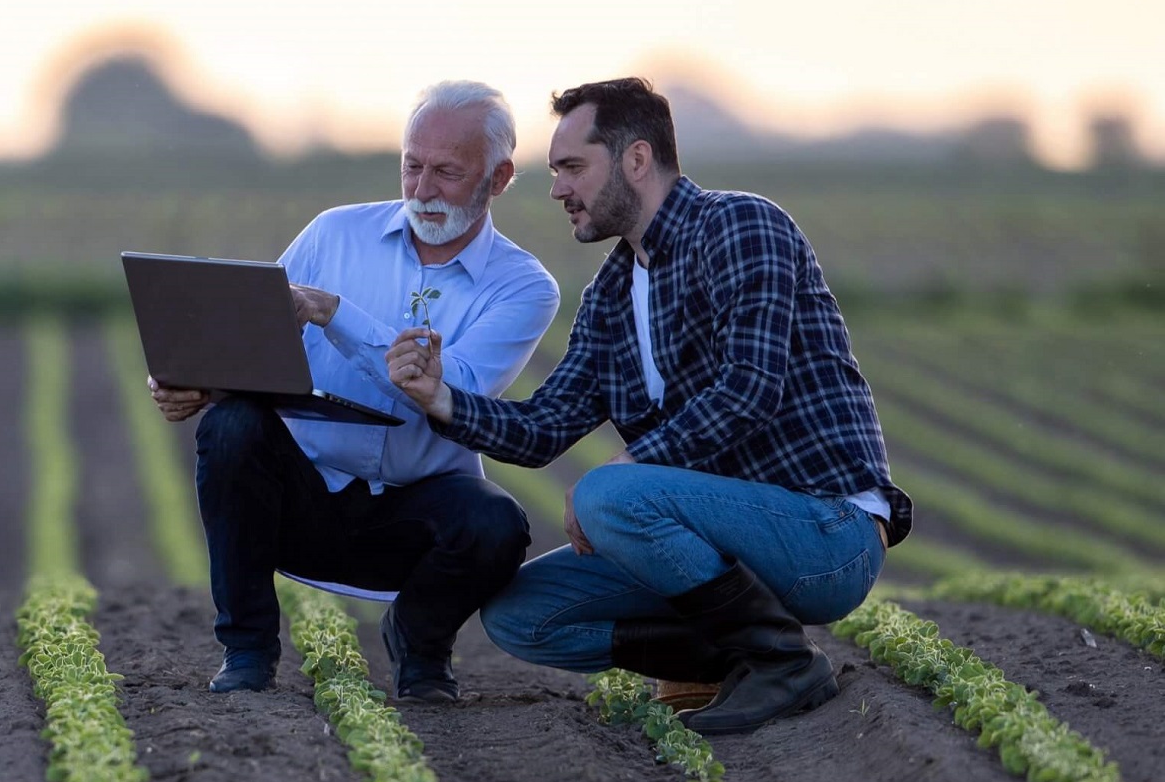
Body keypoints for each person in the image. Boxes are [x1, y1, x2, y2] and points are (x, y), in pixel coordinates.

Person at [386, 77, 909, 734]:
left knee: (611, 494)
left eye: (573, 167)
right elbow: (543, 429)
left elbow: (750, 390)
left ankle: (782, 663)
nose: (557, 190)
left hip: (823, 533)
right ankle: (722, 660)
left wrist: (626, 470)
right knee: (520, 615)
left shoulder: (741, 226)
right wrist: (440, 398)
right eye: (554, 171)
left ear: (636, 159)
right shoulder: (611, 293)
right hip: (710, 544)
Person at [150, 81, 560, 700]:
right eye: (411, 166)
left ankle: (420, 648)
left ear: (499, 178)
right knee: (230, 427)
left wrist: (336, 312)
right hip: (303, 498)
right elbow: (255, 337)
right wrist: (193, 383)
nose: (422, 190)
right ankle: (247, 651)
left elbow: (460, 390)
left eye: (447, 173)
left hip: (413, 511)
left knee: (496, 522)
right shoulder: (332, 234)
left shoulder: (524, 286)